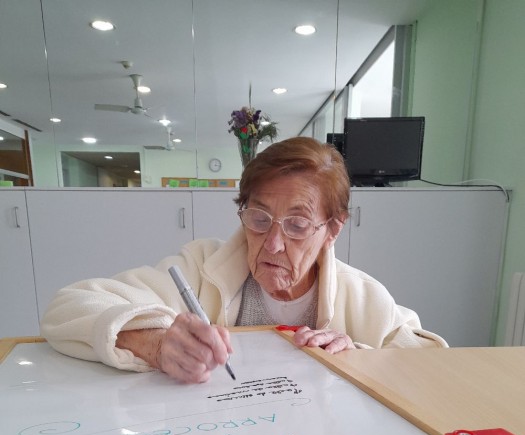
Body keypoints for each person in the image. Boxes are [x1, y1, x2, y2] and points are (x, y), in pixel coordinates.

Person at [41, 136, 447, 384]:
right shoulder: (203, 267)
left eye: (297, 225)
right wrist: (157, 342)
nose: (272, 244)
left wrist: (359, 355)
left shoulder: (361, 295)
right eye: (259, 219)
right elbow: (67, 307)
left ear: (333, 229)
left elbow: (435, 367)